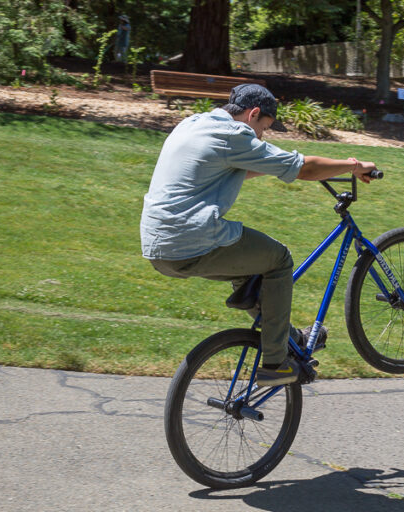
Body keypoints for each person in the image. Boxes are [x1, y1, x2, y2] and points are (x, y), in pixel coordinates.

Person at [140, 84, 378, 387]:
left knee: (250, 273)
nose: (262, 136)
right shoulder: (234, 135)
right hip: (192, 238)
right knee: (278, 259)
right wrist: (352, 166)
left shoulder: (193, 123)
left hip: (157, 246)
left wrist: (273, 164)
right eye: (263, 128)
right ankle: (275, 364)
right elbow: (303, 169)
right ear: (253, 114)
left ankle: (289, 338)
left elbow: (233, 167)